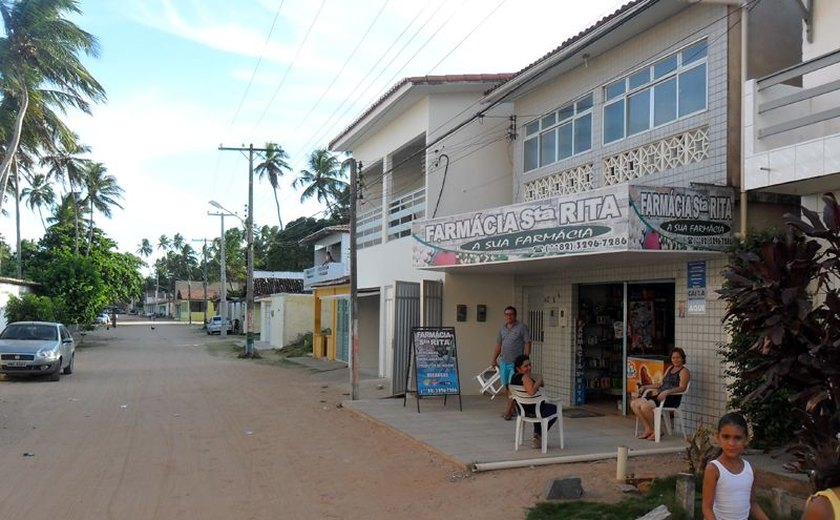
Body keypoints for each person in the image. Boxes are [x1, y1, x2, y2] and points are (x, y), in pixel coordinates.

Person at [702, 412, 769, 520]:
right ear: (718, 437)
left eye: (737, 438)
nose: (731, 443)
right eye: (726, 437)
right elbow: (707, 508)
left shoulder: (750, 469)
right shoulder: (714, 469)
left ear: (746, 439)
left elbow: (752, 503)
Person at [630, 347, 690, 440]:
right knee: (634, 404)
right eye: (673, 358)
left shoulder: (684, 371)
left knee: (645, 407)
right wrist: (646, 386)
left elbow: (682, 387)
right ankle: (649, 428)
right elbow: (661, 384)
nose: (675, 360)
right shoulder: (670, 368)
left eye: (678, 357)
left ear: (682, 358)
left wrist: (667, 391)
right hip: (660, 396)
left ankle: (657, 431)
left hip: (671, 398)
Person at [491, 306, 531, 420]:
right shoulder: (502, 329)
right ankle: (512, 409)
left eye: (511, 314)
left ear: (515, 315)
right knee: (507, 387)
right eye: (507, 314)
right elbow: (499, 345)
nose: (509, 316)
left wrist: (525, 360)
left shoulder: (522, 327)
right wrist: (494, 359)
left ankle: (508, 412)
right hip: (504, 362)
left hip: (515, 364)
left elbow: (527, 343)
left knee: (513, 387)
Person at [510, 354, 556, 449]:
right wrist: (539, 380)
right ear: (519, 368)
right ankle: (538, 434)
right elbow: (531, 392)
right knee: (553, 408)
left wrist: (537, 380)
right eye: (525, 366)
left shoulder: (514, 378)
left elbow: (541, 384)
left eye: (530, 365)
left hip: (523, 410)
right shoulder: (525, 378)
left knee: (541, 410)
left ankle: (537, 435)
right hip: (532, 410)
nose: (529, 368)